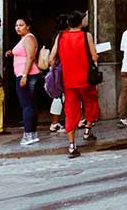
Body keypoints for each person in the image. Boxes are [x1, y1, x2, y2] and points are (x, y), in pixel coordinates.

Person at [49, 11, 100, 159]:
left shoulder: (60, 37)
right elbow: (95, 56)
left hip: (68, 81)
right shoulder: (86, 36)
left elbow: (52, 58)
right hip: (85, 79)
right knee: (91, 103)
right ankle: (87, 130)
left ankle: (72, 145)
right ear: (81, 22)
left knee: (71, 111)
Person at [6, 17, 41, 145]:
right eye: (16, 25)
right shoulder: (23, 39)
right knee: (29, 105)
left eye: (21, 25)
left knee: (27, 105)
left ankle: (29, 134)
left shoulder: (29, 38)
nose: (18, 27)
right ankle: (32, 133)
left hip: (27, 75)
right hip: (24, 74)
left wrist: (25, 75)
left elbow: (31, 57)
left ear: (28, 26)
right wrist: (12, 53)